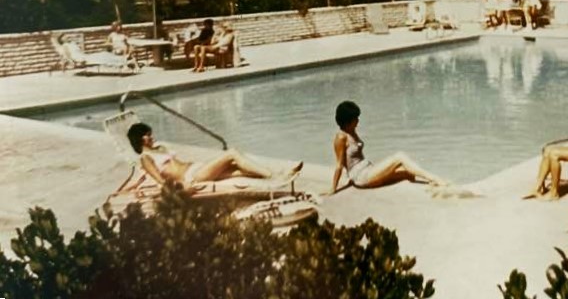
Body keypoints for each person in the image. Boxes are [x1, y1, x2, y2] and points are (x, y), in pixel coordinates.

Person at [126, 122, 301, 190]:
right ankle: (275, 177)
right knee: (232, 153)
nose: (152, 136)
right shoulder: (145, 158)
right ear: (139, 139)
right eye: (148, 135)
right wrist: (182, 188)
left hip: (196, 168)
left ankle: (278, 173)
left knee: (238, 169)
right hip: (192, 177)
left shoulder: (159, 148)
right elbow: (161, 181)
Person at [331, 100, 449, 193]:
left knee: (408, 173)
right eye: (355, 118)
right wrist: (333, 189)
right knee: (399, 157)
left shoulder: (351, 131)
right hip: (361, 177)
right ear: (347, 121)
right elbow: (339, 165)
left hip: (369, 170)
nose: (358, 120)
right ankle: (435, 179)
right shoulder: (341, 137)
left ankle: (429, 184)